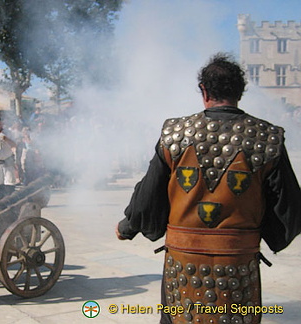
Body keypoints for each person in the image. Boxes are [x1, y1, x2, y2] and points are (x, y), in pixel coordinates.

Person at [116, 53, 301, 324]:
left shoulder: (174, 134)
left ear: (204, 91)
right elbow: (290, 209)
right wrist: (262, 235)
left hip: (183, 267)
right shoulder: (267, 137)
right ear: (240, 92)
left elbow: (149, 195)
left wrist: (127, 227)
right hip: (239, 269)